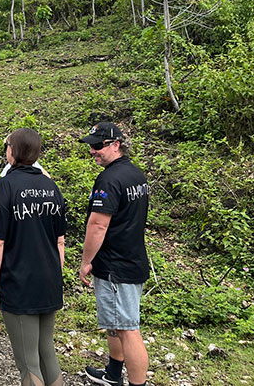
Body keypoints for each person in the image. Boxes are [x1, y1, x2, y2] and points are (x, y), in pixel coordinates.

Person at [0, 128, 67, 386]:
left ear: (13, 151)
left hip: (19, 283)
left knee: (28, 363)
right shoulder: (51, 186)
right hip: (49, 280)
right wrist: (56, 278)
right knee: (47, 352)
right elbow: (60, 240)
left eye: (7, 146)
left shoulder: (6, 186)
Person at [79, 122, 150, 386]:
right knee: (115, 323)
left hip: (116, 266)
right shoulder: (136, 174)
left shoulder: (109, 179)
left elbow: (98, 224)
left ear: (116, 145)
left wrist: (86, 261)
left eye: (98, 146)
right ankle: (113, 373)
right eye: (91, 146)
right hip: (131, 258)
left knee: (127, 329)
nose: (92, 151)